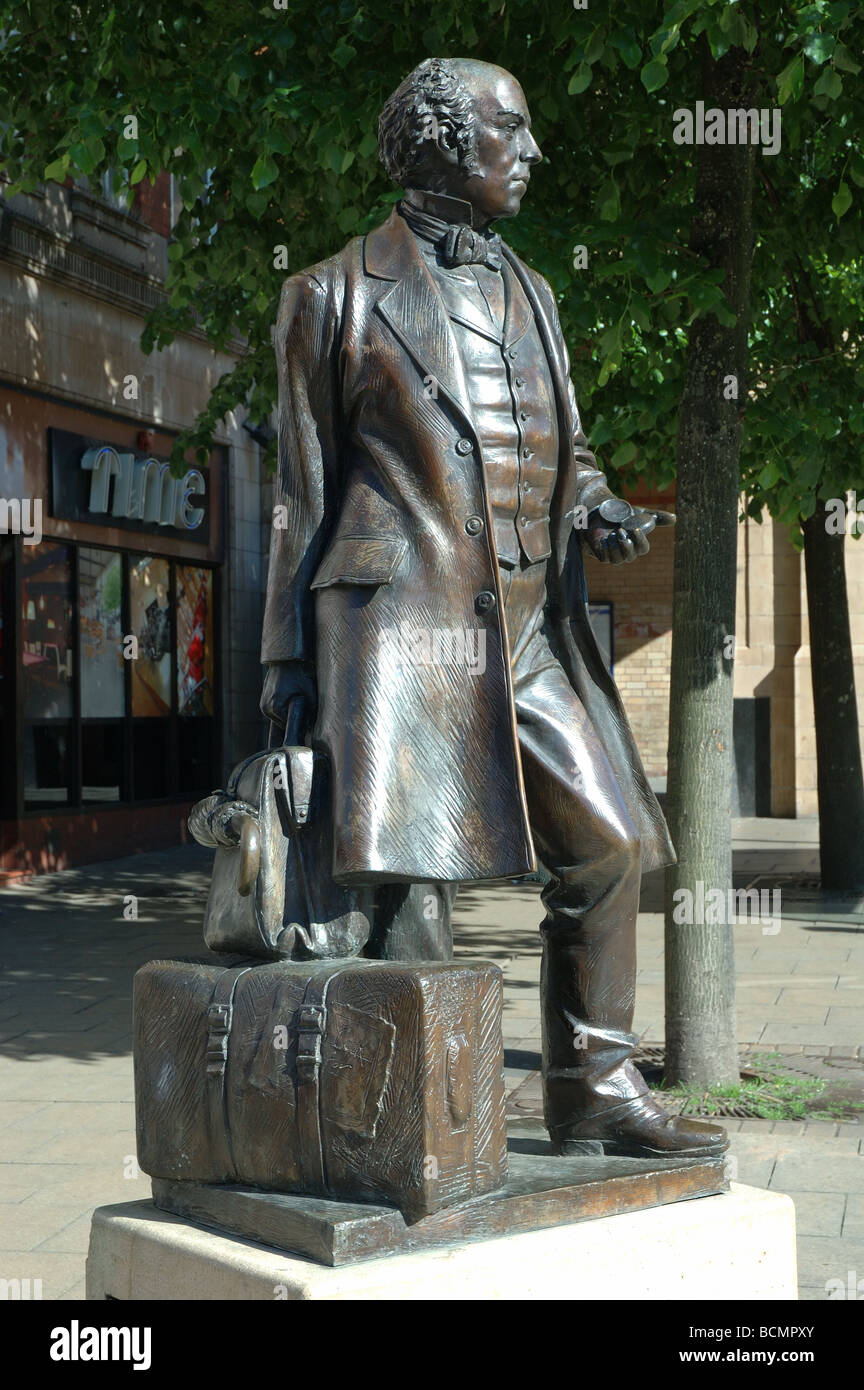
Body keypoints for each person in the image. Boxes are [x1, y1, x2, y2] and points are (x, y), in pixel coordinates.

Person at [261, 56, 727, 1159]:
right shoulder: (329, 293)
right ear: (439, 143)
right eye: (509, 131)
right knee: (407, 899)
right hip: (401, 636)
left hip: (530, 626)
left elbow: (566, 442)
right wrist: (285, 666)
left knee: (611, 841)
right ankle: (411, 1136)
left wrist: (600, 502)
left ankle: (594, 1087)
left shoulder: (533, 290)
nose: (532, 152)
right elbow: (299, 495)